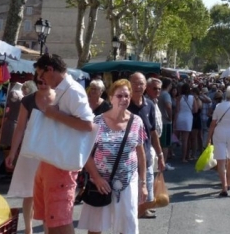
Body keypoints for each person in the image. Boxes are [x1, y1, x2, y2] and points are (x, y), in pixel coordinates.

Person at [32, 54, 94, 234]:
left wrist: (55, 115)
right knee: (51, 220)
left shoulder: (72, 90)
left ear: (50, 69)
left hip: (61, 163)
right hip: (52, 160)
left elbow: (88, 125)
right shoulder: (62, 89)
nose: (40, 79)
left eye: (41, 75)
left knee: (59, 220)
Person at [77, 79, 147, 234]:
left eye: (126, 96)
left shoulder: (137, 122)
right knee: (96, 228)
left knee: (127, 226)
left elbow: (141, 154)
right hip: (101, 183)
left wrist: (143, 184)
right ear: (111, 98)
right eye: (119, 96)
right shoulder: (98, 121)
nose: (123, 99)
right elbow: (86, 153)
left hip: (127, 182)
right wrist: (97, 177)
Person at [6, 78, 45, 234]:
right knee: (29, 192)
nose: (43, 83)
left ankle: (47, 229)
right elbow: (20, 127)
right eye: (40, 81)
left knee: (47, 192)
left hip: (50, 150)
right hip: (31, 149)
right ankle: (28, 229)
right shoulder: (29, 100)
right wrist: (12, 152)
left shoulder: (59, 97)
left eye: (45, 80)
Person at [127, 73, 162, 220]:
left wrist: (160, 155)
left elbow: (153, 132)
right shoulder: (124, 104)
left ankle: (138, 215)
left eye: (141, 83)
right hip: (127, 161)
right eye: (134, 83)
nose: (138, 86)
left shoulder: (149, 105)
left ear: (145, 87)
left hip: (145, 157)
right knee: (131, 198)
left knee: (146, 196)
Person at [175, 83, 196, 163]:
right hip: (188, 118)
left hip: (180, 117)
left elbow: (177, 110)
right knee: (185, 140)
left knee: (176, 136)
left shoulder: (179, 98)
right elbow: (195, 110)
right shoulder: (192, 98)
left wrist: (175, 121)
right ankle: (184, 157)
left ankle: (170, 152)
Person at [158, 79, 174, 170]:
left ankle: (159, 162)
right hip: (165, 122)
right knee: (166, 144)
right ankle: (164, 163)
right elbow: (168, 106)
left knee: (160, 143)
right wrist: (170, 117)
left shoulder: (159, 93)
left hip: (159, 121)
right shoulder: (166, 94)